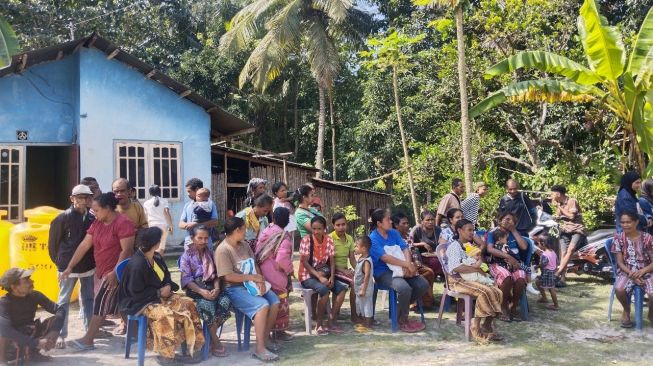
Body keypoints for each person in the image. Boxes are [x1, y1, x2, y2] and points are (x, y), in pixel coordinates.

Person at [119, 228, 205, 365]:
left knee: (189, 304)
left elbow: (166, 278)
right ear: (156, 243)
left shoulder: (157, 258)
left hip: (160, 296)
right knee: (164, 315)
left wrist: (168, 286)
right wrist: (159, 293)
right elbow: (135, 293)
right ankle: (166, 356)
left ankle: (194, 349)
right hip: (141, 302)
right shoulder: (137, 264)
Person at [61, 192, 135, 350]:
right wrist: (70, 266)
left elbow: (126, 250)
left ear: (108, 208)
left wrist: (115, 272)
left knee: (101, 303)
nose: (94, 213)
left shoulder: (123, 223)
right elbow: (84, 245)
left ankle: (88, 340)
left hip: (118, 271)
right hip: (102, 270)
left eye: (97, 210)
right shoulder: (97, 223)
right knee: (121, 304)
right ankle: (137, 334)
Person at [216, 217, 280, 362]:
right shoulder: (222, 250)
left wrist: (260, 279)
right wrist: (252, 278)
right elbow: (227, 277)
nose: (246, 232)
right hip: (233, 289)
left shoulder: (244, 244)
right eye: (244, 229)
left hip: (251, 284)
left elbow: (254, 264)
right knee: (262, 305)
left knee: (274, 302)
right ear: (237, 230)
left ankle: (264, 340)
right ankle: (260, 350)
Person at [47, 184, 96, 349]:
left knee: (89, 298)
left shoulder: (92, 218)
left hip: (88, 265)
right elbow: (52, 246)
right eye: (80, 197)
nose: (84, 201)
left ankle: (89, 332)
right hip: (67, 266)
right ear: (72, 199)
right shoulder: (63, 218)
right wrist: (60, 262)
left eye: (87, 197)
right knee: (63, 301)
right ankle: (61, 334)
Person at [444, 219, 503, 342]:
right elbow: (456, 267)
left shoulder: (470, 246)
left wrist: (479, 267)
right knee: (484, 291)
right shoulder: (454, 246)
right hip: (457, 280)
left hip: (470, 278)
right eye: (469, 230)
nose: (472, 233)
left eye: (473, 230)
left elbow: (478, 263)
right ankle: (475, 327)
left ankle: (487, 324)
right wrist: (476, 270)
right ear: (460, 231)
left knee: (498, 291)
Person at [369, 209, 427, 333]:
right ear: (379, 223)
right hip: (383, 272)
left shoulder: (394, 233)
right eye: (388, 219)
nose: (391, 221)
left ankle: (399, 311)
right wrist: (406, 264)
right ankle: (402, 319)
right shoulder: (373, 239)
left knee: (423, 284)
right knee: (404, 288)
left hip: (401, 267)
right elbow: (385, 258)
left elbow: (405, 248)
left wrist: (407, 266)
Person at [179, 226, 231, 358]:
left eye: (206, 238)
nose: (203, 241)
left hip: (212, 287)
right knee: (206, 305)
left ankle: (207, 336)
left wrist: (217, 289)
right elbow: (187, 280)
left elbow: (216, 275)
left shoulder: (211, 253)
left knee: (226, 301)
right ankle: (216, 342)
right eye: (200, 238)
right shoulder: (186, 256)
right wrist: (202, 292)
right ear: (192, 238)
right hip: (195, 289)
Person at [0, 268, 64, 363]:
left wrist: (55, 330)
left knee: (54, 320)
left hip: (27, 336)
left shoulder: (35, 295)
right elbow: (5, 330)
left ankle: (33, 354)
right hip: (11, 343)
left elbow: (60, 310)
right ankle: (2, 360)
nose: (32, 281)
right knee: (3, 330)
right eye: (26, 280)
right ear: (13, 287)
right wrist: (36, 343)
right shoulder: (4, 302)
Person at [299, 216, 348, 335]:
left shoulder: (329, 240)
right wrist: (320, 277)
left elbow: (331, 261)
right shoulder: (306, 240)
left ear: (324, 228)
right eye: (314, 228)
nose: (316, 231)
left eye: (319, 229)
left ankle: (330, 322)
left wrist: (331, 276)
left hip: (324, 274)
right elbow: (304, 262)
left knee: (342, 289)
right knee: (324, 291)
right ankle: (319, 325)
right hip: (307, 275)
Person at [255, 207, 294, 341]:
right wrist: (290, 270)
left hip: (261, 273)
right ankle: (279, 332)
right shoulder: (284, 237)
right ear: (288, 221)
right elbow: (281, 261)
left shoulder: (265, 231)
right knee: (281, 301)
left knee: (268, 303)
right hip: (276, 275)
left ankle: (268, 331)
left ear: (274, 218)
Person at [612, 211, 653, 328]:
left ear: (636, 222)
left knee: (652, 294)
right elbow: (620, 262)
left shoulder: (648, 238)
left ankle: (651, 315)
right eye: (623, 222)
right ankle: (626, 310)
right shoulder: (618, 238)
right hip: (627, 271)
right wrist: (632, 274)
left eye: (628, 222)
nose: (625, 225)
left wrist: (642, 272)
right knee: (619, 289)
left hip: (647, 271)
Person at [486, 212, 529, 321]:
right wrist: (508, 257)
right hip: (498, 263)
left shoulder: (514, 233)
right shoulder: (493, 233)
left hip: (515, 264)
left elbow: (524, 247)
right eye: (506, 219)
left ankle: (513, 306)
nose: (508, 221)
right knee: (506, 277)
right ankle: (503, 307)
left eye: (511, 220)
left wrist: (514, 230)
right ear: (500, 220)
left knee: (520, 277)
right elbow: (490, 249)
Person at [393, 212, 435, 309]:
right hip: (402, 268)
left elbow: (413, 251)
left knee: (429, 272)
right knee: (427, 273)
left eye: (407, 223)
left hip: (414, 265)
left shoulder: (408, 236)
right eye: (403, 223)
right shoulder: (393, 238)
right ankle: (413, 302)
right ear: (396, 225)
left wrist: (417, 264)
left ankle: (425, 302)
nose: (407, 225)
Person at [549, 185, 586, 285]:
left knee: (571, 250)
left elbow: (571, 216)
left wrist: (560, 208)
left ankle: (557, 274)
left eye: (552, 194)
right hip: (566, 230)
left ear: (558, 194)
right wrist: (556, 217)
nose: (551, 195)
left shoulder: (571, 201)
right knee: (563, 253)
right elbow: (559, 216)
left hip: (577, 230)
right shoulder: (559, 203)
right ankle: (562, 280)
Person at [329, 213, 358, 321]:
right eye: (338, 225)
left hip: (345, 271)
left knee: (358, 281)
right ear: (333, 225)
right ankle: (347, 315)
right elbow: (327, 262)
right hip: (332, 271)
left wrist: (359, 270)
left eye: (343, 224)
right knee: (352, 283)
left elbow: (352, 259)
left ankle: (354, 313)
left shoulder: (349, 238)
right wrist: (343, 271)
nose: (341, 227)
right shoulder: (329, 238)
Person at [179, 178, 219, 247]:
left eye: (189, 191)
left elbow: (215, 222)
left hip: (205, 243)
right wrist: (188, 225)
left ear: (197, 189)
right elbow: (180, 224)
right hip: (190, 243)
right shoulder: (187, 205)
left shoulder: (210, 204)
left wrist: (196, 225)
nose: (188, 194)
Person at [409, 210, 443, 278]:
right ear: (422, 221)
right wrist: (422, 244)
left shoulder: (438, 230)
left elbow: (443, 243)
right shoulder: (417, 229)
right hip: (420, 256)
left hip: (435, 254)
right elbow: (409, 243)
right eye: (427, 220)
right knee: (435, 262)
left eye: (432, 219)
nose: (430, 222)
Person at [143, 185, 173, 255]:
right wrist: (171, 226)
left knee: (153, 247)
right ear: (159, 191)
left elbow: (146, 217)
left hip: (151, 226)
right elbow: (167, 212)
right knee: (162, 246)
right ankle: (160, 263)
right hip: (163, 226)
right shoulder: (164, 200)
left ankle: (153, 264)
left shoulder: (146, 203)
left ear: (150, 193)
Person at [353, 236, 374, 332]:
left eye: (356, 246)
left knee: (367, 306)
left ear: (364, 248)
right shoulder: (361, 258)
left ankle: (368, 324)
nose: (355, 248)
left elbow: (367, 276)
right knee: (361, 306)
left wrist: (363, 289)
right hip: (360, 288)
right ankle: (364, 322)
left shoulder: (366, 261)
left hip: (365, 289)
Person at [535, 236, 559, 310]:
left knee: (551, 289)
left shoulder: (544, 255)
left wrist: (537, 266)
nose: (538, 245)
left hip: (547, 273)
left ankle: (556, 305)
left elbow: (544, 264)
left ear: (543, 244)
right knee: (538, 282)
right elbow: (556, 262)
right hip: (552, 272)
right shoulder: (553, 252)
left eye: (538, 244)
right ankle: (544, 298)